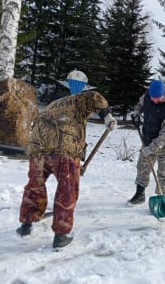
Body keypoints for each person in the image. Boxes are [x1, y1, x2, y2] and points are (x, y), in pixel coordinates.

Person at [16, 90, 117, 248]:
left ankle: (26, 225)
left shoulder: (54, 105)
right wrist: (107, 115)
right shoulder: (78, 100)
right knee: (67, 188)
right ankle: (61, 236)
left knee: (35, 184)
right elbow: (94, 96)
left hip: (37, 146)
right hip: (64, 147)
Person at [128, 80, 165, 205]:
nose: (154, 101)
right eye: (152, 98)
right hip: (148, 138)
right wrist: (136, 114)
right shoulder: (147, 96)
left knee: (164, 173)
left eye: (157, 98)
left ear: (164, 94)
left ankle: (162, 199)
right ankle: (140, 194)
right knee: (142, 167)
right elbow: (140, 105)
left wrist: (151, 148)